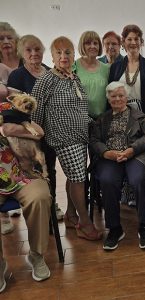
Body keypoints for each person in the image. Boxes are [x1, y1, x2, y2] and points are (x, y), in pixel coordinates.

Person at [31, 36, 101, 241]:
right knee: (79, 178)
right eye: (59, 53)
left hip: (80, 136)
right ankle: (85, 223)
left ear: (73, 55)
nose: (64, 56)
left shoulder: (74, 77)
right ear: (52, 56)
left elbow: (79, 108)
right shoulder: (46, 79)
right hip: (62, 138)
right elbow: (35, 112)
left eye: (67, 52)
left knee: (74, 176)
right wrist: (37, 139)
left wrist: (94, 122)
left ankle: (71, 216)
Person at [90, 81, 145, 250]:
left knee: (139, 178)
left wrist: (131, 150)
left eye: (121, 95)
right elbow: (95, 141)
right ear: (108, 98)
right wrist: (106, 153)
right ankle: (115, 228)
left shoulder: (139, 116)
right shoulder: (102, 119)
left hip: (135, 155)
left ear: (127, 97)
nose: (117, 99)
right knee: (107, 180)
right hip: (111, 157)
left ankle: (143, 225)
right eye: (113, 96)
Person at [7, 34, 64, 221]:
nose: (34, 53)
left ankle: (52, 203)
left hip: (50, 132)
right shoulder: (17, 75)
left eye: (37, 49)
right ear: (22, 53)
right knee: (34, 170)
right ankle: (40, 207)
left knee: (51, 169)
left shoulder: (50, 71)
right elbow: (15, 108)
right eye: (29, 50)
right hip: (28, 134)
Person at [0, 121, 52, 293]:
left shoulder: (9, 106)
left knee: (39, 197)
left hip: (24, 173)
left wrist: (12, 129)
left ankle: (37, 254)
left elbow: (39, 132)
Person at [108, 24, 145, 121]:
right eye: (129, 39)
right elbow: (109, 94)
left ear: (141, 42)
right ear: (123, 42)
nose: (133, 42)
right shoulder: (115, 67)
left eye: (136, 39)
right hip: (120, 119)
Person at [0, 22, 23, 233]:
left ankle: (49, 201)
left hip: (29, 118)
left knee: (36, 161)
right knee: (5, 164)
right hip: (3, 121)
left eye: (9, 37)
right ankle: (4, 214)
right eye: (1, 38)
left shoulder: (26, 57)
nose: (6, 41)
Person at [73, 31, 110, 119]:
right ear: (82, 46)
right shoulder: (74, 66)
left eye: (95, 43)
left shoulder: (107, 68)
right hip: (80, 119)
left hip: (102, 120)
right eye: (88, 43)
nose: (92, 46)